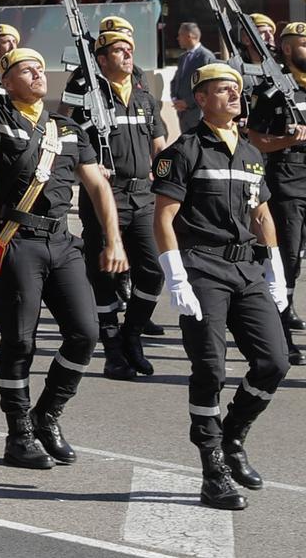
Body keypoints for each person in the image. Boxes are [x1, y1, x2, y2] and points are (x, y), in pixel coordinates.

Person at [0, 46, 128, 469]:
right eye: (26, 69)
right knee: (20, 340)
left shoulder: (67, 128)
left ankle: (47, 415)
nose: (38, 74)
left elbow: (97, 187)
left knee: (85, 333)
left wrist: (114, 240)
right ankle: (18, 432)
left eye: (41, 67)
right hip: (17, 240)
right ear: (6, 80)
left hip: (61, 241)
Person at [155, 63, 290, 510]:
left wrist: (275, 270)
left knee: (274, 361)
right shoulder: (185, 150)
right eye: (222, 90)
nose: (234, 96)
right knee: (210, 370)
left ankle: (233, 437)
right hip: (203, 268)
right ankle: (213, 469)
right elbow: (164, 218)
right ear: (201, 99)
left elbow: (262, 214)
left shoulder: (251, 151)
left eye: (236, 89)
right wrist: (175, 274)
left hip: (247, 270)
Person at [71, 23, 167, 381]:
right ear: (100, 59)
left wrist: (166, 178)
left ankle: (132, 335)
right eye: (118, 50)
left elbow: (159, 146)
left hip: (142, 196)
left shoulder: (143, 96)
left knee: (154, 271)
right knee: (105, 276)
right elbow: (71, 141)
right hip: (103, 197)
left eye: (130, 48)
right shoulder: (88, 99)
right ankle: (113, 352)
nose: (128, 54)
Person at [245, 21, 306, 364]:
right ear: (286, 48)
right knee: (287, 260)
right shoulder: (272, 91)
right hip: (287, 181)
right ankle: (280, 329)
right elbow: (255, 139)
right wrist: (289, 140)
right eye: (303, 44)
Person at [170, 22, 216, 119]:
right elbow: (175, 81)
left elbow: (207, 86)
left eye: (180, 35)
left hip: (198, 113)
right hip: (183, 114)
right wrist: (175, 99)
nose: (178, 38)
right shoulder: (183, 58)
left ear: (189, 36)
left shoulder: (205, 57)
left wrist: (187, 102)